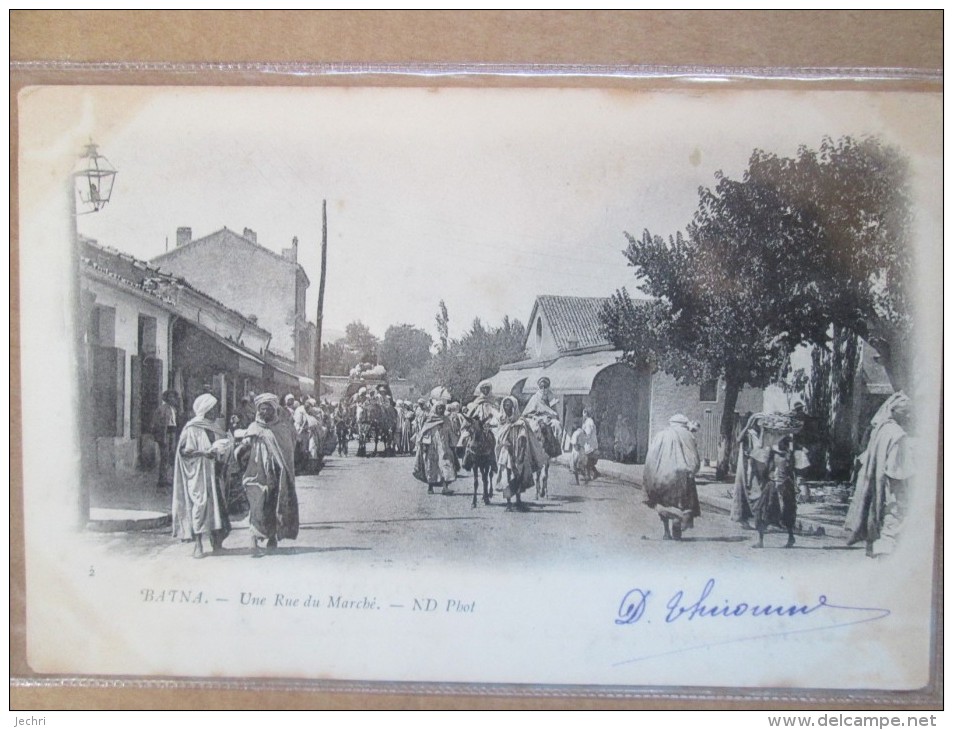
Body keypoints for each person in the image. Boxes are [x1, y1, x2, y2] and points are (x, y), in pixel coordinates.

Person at [845, 392, 913, 558]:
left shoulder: (881, 430)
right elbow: (897, 472)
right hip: (892, 494)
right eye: (906, 412)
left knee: (884, 534)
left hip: (878, 491)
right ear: (895, 411)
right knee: (892, 534)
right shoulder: (897, 435)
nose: (909, 416)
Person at [235, 392, 299, 557]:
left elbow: (288, 450)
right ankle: (253, 539)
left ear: (274, 410)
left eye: (268, 409)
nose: (264, 413)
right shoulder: (253, 428)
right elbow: (245, 447)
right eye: (262, 409)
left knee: (273, 504)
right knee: (256, 503)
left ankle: (272, 536)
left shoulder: (282, 429)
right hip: (256, 473)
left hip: (276, 474)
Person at [171, 393, 231, 558]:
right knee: (199, 507)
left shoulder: (215, 427)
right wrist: (204, 453)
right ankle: (198, 545)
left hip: (214, 473)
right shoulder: (192, 428)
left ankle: (217, 544)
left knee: (218, 508)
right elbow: (183, 451)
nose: (216, 411)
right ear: (206, 409)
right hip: (198, 474)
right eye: (214, 408)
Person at [642, 413, 701, 540]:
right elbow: (694, 458)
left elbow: (651, 456)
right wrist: (693, 470)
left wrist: (650, 475)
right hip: (682, 475)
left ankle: (666, 531)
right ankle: (679, 520)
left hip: (663, 474)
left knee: (663, 501)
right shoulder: (688, 435)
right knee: (682, 502)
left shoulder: (661, 435)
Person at [751, 436, 798, 549]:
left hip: (781, 486)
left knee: (780, 511)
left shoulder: (785, 456)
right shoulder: (781, 455)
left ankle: (789, 537)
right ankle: (762, 540)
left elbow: (766, 471)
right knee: (765, 510)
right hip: (776, 485)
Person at [413, 401, 457, 494]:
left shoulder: (446, 420)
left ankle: (445, 487)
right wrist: (424, 445)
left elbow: (451, 433)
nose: (441, 410)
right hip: (432, 447)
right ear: (435, 409)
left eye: (442, 408)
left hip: (444, 447)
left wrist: (453, 444)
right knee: (431, 466)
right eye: (439, 408)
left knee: (446, 464)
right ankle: (430, 487)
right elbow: (424, 433)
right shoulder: (430, 420)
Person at [151, 390, 180, 488]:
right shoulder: (162, 409)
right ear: (167, 398)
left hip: (172, 433)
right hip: (165, 434)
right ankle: (162, 480)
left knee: (170, 456)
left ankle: (167, 477)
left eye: (174, 397)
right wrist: (161, 437)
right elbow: (158, 424)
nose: (173, 399)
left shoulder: (174, 409)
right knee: (164, 457)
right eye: (170, 397)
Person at [581, 407, 600, 478]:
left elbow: (588, 433)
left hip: (589, 444)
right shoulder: (588, 421)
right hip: (590, 444)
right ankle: (592, 474)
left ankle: (590, 475)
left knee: (585, 460)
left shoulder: (589, 422)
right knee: (587, 461)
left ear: (586, 413)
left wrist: (582, 437)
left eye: (583, 413)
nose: (582, 415)